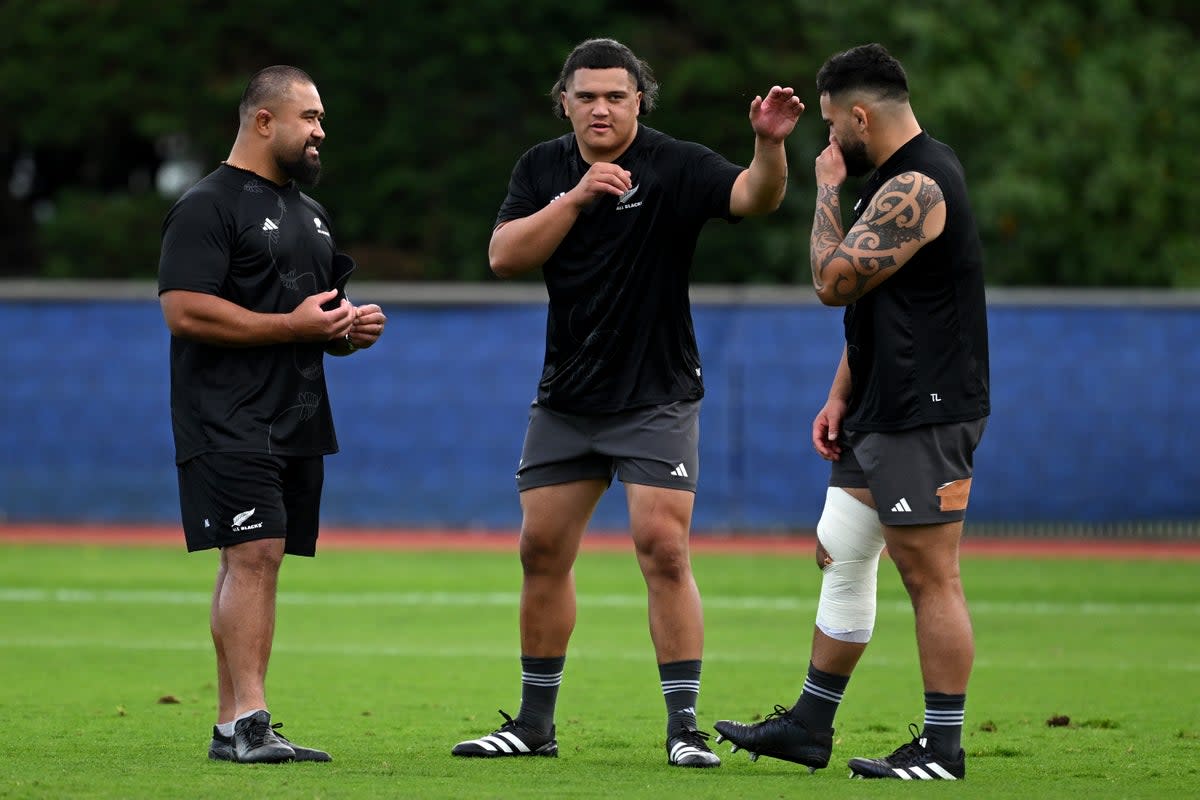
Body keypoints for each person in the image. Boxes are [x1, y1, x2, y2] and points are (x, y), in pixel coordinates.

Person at [450, 37, 802, 767]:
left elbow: (755, 197)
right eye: (587, 96)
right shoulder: (543, 168)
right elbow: (505, 255)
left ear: (640, 99)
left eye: (617, 95)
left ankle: (683, 729)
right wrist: (576, 196)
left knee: (663, 549)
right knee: (540, 549)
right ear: (566, 102)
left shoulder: (675, 163)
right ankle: (534, 726)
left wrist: (769, 148)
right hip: (569, 398)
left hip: (655, 395)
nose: (602, 107)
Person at [713, 43, 990, 781]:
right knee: (840, 546)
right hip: (878, 403)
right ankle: (811, 723)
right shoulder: (894, 182)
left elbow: (833, 282)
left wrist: (827, 189)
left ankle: (943, 747)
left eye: (833, 123)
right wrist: (842, 392)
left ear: (860, 116)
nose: (830, 139)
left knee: (930, 574)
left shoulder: (920, 185)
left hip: (924, 409)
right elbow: (872, 303)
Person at [157, 65, 386, 764]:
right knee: (252, 555)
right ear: (264, 121)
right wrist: (292, 327)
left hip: (296, 418)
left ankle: (234, 727)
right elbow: (183, 308)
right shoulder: (207, 205)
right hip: (225, 415)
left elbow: (307, 320)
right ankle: (251, 722)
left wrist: (346, 330)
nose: (320, 132)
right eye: (309, 117)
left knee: (258, 560)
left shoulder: (311, 215)